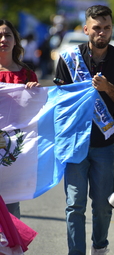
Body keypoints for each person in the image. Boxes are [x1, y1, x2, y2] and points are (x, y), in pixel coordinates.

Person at [54, 5, 114, 255]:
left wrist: (108, 88)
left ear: (112, 29)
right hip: (74, 142)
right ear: (86, 28)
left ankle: (99, 246)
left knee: (102, 205)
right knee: (74, 204)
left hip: (103, 143)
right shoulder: (68, 60)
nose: (102, 32)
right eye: (97, 28)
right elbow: (57, 102)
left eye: (107, 27)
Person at [0, 19, 40, 219]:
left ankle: (10, 248)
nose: (3, 39)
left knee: (10, 210)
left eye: (8, 35)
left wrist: (35, 94)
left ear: (15, 40)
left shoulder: (27, 74)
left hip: (12, 150)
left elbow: (36, 114)